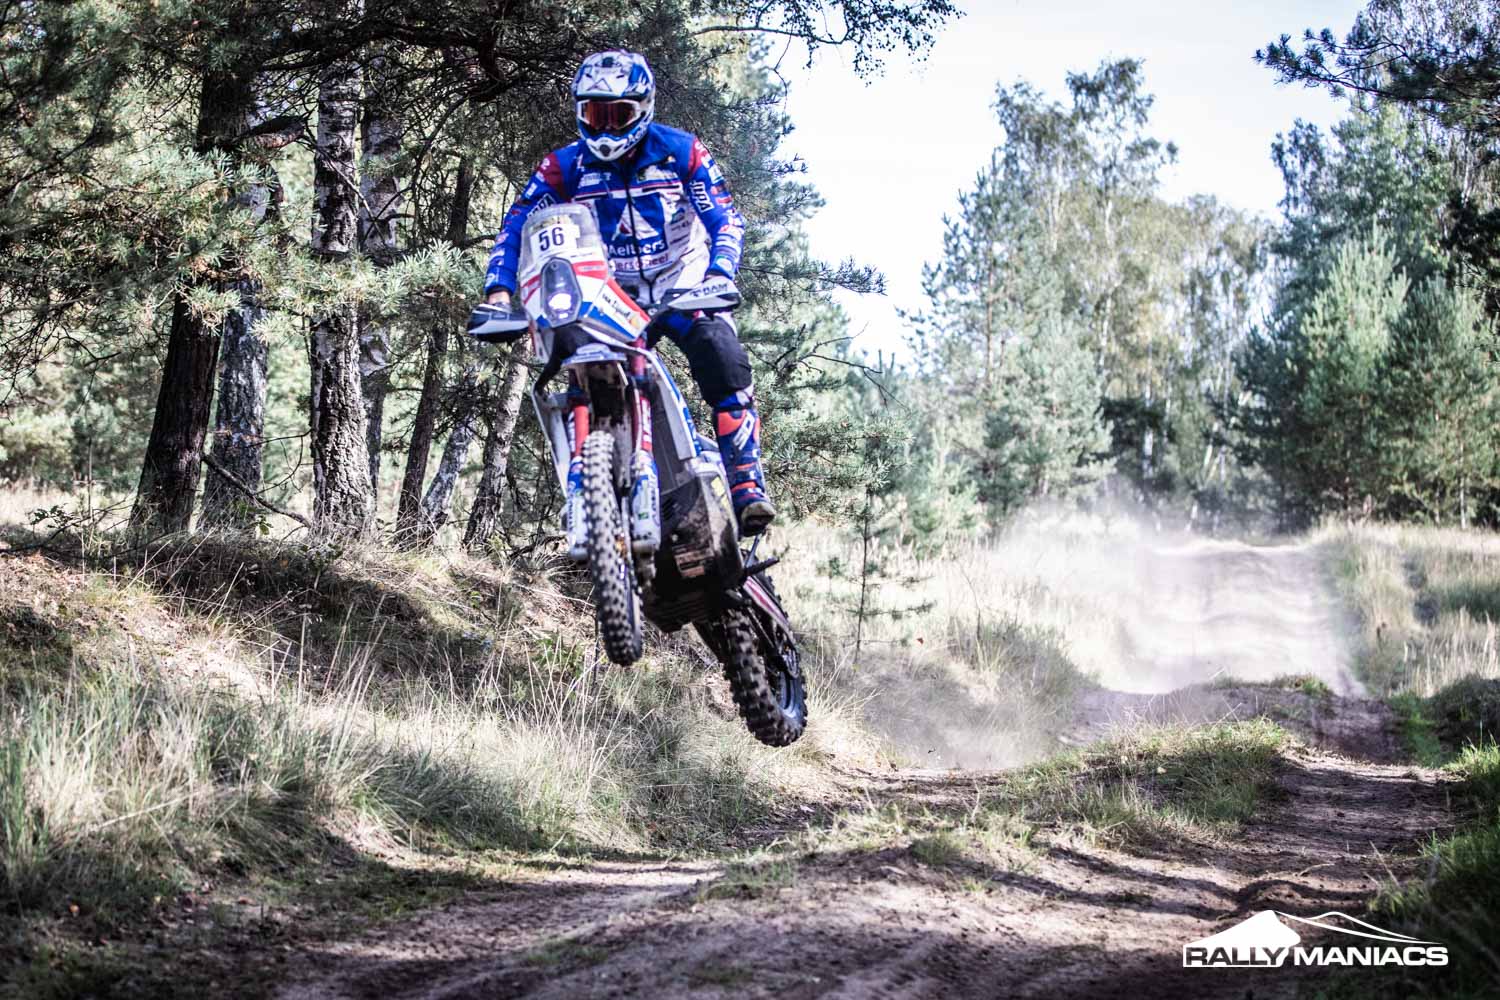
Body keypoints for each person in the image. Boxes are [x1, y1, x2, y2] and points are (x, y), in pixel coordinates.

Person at [478, 50, 775, 536]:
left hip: (682, 284)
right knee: (575, 363)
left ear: (643, 108)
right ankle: (589, 489)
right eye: (595, 114)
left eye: (618, 114)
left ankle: (746, 484)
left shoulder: (681, 151)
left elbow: (725, 219)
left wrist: (720, 273)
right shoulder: (563, 166)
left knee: (722, 354)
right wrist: (498, 293)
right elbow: (516, 227)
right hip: (610, 294)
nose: (605, 127)